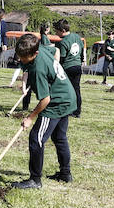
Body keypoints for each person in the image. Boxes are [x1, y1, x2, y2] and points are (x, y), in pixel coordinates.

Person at [10, 32, 75, 189]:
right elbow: (54, 53)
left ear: (35, 53)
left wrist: (30, 117)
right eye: (19, 56)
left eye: (24, 57)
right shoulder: (44, 49)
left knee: (36, 138)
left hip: (56, 102)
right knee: (59, 137)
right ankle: (65, 174)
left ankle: (35, 179)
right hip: (68, 96)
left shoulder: (38, 69)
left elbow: (45, 100)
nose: (20, 60)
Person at [54, 19, 85, 117]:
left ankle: (68, 110)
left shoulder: (62, 42)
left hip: (68, 67)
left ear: (62, 30)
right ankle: (77, 111)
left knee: (67, 90)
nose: (55, 33)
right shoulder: (76, 37)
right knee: (76, 89)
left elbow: (61, 58)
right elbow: (82, 50)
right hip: (77, 66)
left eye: (57, 31)